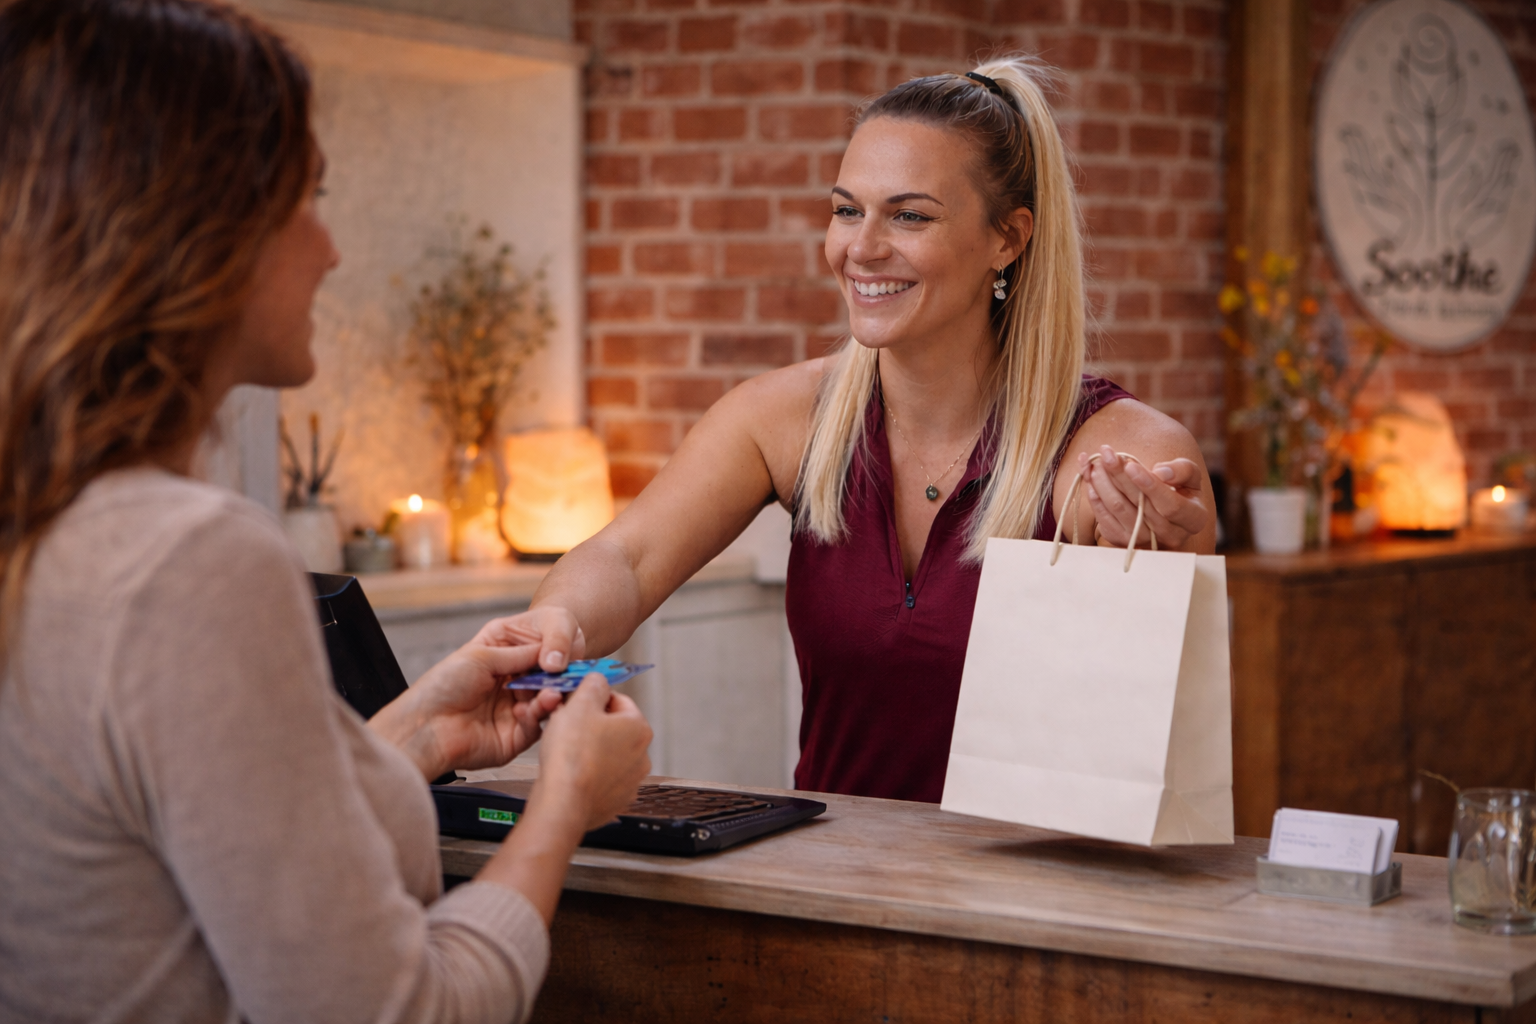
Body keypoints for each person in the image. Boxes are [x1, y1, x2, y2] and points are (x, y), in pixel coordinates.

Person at [0, 2, 651, 1022]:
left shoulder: (54, 531)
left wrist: (423, 729)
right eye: (311, 198)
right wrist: (567, 800)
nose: (332, 250)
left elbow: (199, 840)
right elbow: (397, 1009)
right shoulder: (186, 563)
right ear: (200, 231)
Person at [520, 57, 1217, 803]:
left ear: (1007, 240)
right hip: (833, 884)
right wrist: (550, 634)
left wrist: (1161, 561)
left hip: (1029, 902)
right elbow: (626, 559)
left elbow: (1145, 716)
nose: (861, 247)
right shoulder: (784, 418)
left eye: (909, 215)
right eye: (847, 209)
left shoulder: (1117, 453)